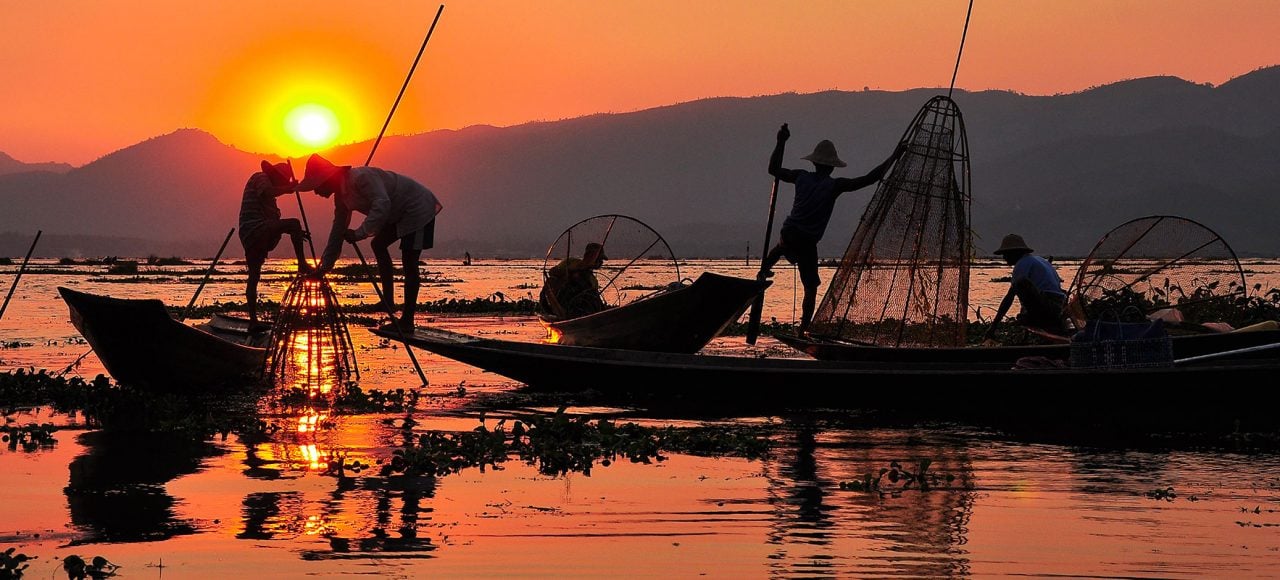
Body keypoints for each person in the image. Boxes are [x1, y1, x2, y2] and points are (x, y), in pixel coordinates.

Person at [757, 123, 907, 334]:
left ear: (815, 163)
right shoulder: (834, 185)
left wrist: (781, 141)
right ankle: (803, 330)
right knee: (811, 289)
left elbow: (773, 169)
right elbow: (869, 179)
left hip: (789, 233)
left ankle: (764, 270)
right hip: (806, 240)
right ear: (832, 167)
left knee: (781, 246)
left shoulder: (801, 176)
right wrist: (895, 156)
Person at [298, 153, 443, 332]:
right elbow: (338, 231)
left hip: (416, 207)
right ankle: (388, 301)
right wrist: (323, 268)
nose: (316, 192)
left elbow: (382, 204)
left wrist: (359, 233)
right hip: (396, 213)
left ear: (327, 179)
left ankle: (407, 321)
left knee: (409, 262)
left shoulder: (362, 178)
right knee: (378, 244)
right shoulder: (341, 198)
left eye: (316, 186)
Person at [238, 160, 311, 325]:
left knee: (254, 276)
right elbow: (267, 192)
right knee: (294, 223)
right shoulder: (261, 177)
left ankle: (253, 321)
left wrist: (297, 234)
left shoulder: (270, 201)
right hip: (254, 229)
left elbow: (275, 222)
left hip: (253, 234)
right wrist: (288, 189)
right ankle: (302, 264)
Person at [982, 233, 1069, 340]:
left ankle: (1033, 318)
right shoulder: (1039, 260)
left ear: (1015, 253)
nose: (1004, 257)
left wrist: (993, 326)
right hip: (1059, 306)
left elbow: (1009, 297)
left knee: (1021, 283)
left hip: (1049, 309)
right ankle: (1031, 318)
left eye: (1006, 254)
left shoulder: (1022, 264)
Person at [539, 242, 608, 318]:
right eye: (599, 259)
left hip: (579, 311)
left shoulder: (592, 280)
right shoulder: (571, 262)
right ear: (590, 256)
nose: (601, 263)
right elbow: (552, 272)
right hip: (561, 302)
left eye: (601, 260)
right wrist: (572, 272)